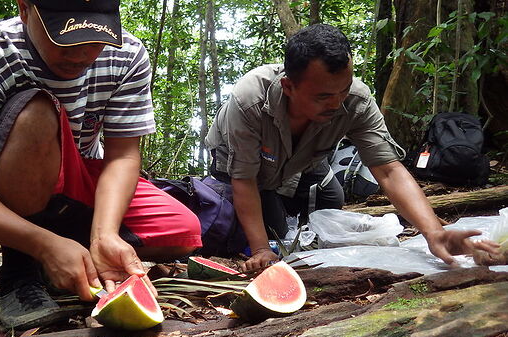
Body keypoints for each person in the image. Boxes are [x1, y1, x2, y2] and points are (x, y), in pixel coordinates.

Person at [0, 0, 202, 330]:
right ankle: (20, 272)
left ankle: (81, 248)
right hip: (11, 176)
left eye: (96, 36)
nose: (84, 54)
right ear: (25, 9)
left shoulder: (127, 54)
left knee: (181, 230)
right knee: (36, 116)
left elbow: (123, 155)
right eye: (65, 37)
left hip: (78, 174)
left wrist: (105, 234)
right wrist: (42, 245)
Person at [205, 24, 500, 271]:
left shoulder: (355, 100)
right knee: (271, 233)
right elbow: (244, 179)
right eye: (322, 96)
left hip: (301, 162)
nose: (336, 103)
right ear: (288, 86)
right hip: (239, 170)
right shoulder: (251, 99)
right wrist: (260, 248)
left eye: (343, 90)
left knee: (332, 200)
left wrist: (434, 233)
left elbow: (387, 169)